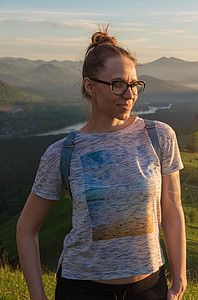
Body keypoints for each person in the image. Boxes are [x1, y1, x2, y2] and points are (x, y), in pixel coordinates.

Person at [16, 27, 186, 300]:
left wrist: (179, 280)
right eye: (118, 84)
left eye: (134, 85)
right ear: (90, 86)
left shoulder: (159, 136)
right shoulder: (61, 153)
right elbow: (26, 228)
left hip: (149, 288)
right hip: (81, 290)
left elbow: (173, 210)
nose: (129, 94)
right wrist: (38, 296)